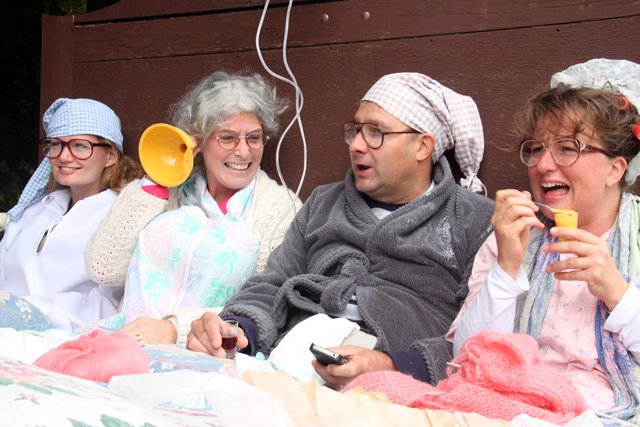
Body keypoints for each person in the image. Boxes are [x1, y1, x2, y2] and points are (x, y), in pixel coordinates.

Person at [187, 72, 495, 387]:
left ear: (422, 146)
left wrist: (391, 365)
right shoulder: (324, 203)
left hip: (397, 390)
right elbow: (273, 283)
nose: (357, 145)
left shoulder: (474, 220)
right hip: (289, 366)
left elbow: (481, 340)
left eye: (376, 132)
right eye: (356, 130)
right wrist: (237, 329)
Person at [448, 58, 640, 422]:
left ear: (615, 169)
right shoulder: (514, 236)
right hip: (513, 404)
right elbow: (469, 358)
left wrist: (617, 292)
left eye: (567, 148)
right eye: (536, 148)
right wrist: (506, 266)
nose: (543, 165)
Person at [85, 71, 302, 345]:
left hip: (208, 351)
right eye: (227, 138)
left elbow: (271, 303)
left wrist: (176, 329)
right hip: (128, 338)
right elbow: (103, 269)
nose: (244, 151)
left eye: (254, 138)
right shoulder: (171, 190)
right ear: (198, 140)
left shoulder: (280, 207)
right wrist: (159, 177)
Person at [0, 98, 142, 332]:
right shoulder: (34, 211)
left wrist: (28, 312)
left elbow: (109, 305)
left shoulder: (121, 219)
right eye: (56, 144)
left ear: (111, 155)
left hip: (61, 337)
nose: (64, 156)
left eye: (80, 146)